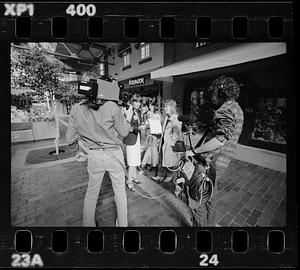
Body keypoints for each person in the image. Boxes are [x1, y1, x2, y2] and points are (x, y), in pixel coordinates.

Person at [186, 75, 244, 226]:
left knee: (196, 199)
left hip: (209, 163)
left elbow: (220, 138)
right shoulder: (237, 109)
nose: (212, 97)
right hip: (221, 164)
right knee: (210, 198)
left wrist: (194, 151)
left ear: (220, 91)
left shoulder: (225, 109)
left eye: (213, 93)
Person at [66, 96, 132, 227]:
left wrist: (77, 151)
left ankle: (88, 225)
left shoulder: (76, 109)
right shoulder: (111, 106)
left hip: (94, 155)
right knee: (119, 191)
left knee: (92, 192)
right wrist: (128, 116)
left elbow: (70, 138)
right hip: (114, 154)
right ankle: (122, 225)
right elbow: (124, 132)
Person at [152, 99, 182, 182]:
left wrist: (170, 144)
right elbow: (163, 129)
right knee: (161, 159)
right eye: (164, 107)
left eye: (166, 107)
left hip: (169, 144)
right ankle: (160, 175)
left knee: (169, 160)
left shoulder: (175, 120)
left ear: (172, 108)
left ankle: (170, 175)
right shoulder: (166, 118)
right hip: (163, 142)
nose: (165, 108)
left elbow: (176, 135)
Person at [124, 94, 145, 191]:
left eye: (139, 101)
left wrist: (145, 125)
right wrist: (139, 128)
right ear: (132, 102)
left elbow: (139, 124)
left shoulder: (139, 112)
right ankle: (129, 180)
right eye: (136, 101)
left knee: (136, 159)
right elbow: (127, 127)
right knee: (132, 162)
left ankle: (133, 177)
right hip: (131, 139)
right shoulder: (129, 111)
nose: (138, 103)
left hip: (137, 138)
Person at [141, 100, 162, 170]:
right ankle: (151, 164)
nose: (151, 107)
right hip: (149, 133)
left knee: (153, 148)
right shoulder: (146, 114)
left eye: (152, 105)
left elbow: (159, 124)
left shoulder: (157, 114)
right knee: (151, 148)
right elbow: (145, 124)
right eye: (150, 105)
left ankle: (147, 163)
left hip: (155, 134)